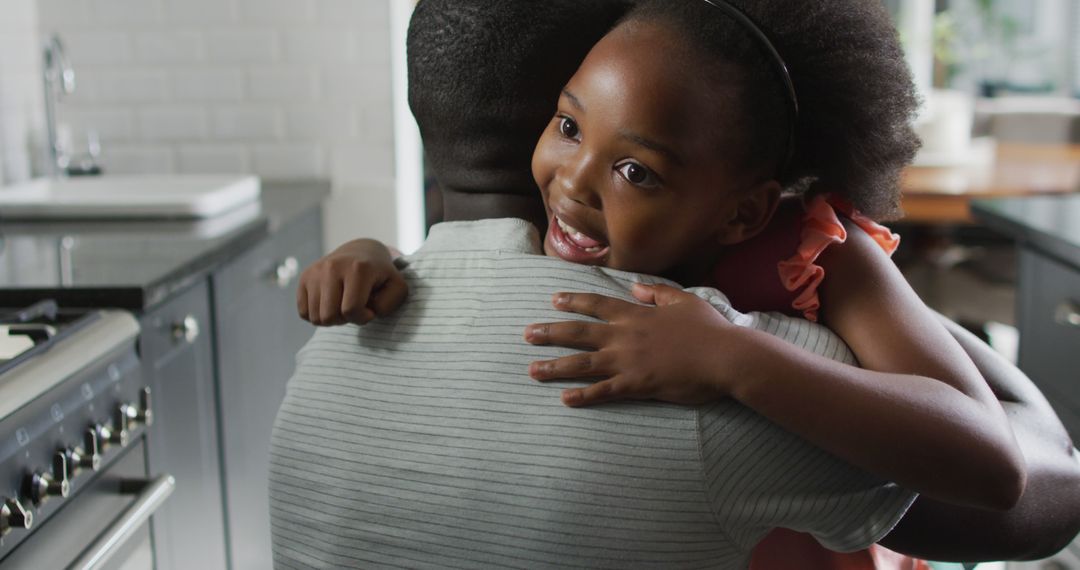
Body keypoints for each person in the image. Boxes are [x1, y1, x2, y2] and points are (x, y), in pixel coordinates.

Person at [290, 0, 1080, 565]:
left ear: (741, 214)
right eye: (568, 126)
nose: (572, 184)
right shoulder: (578, 236)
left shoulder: (812, 256)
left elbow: (994, 460)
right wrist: (375, 254)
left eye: (637, 170)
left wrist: (734, 357)